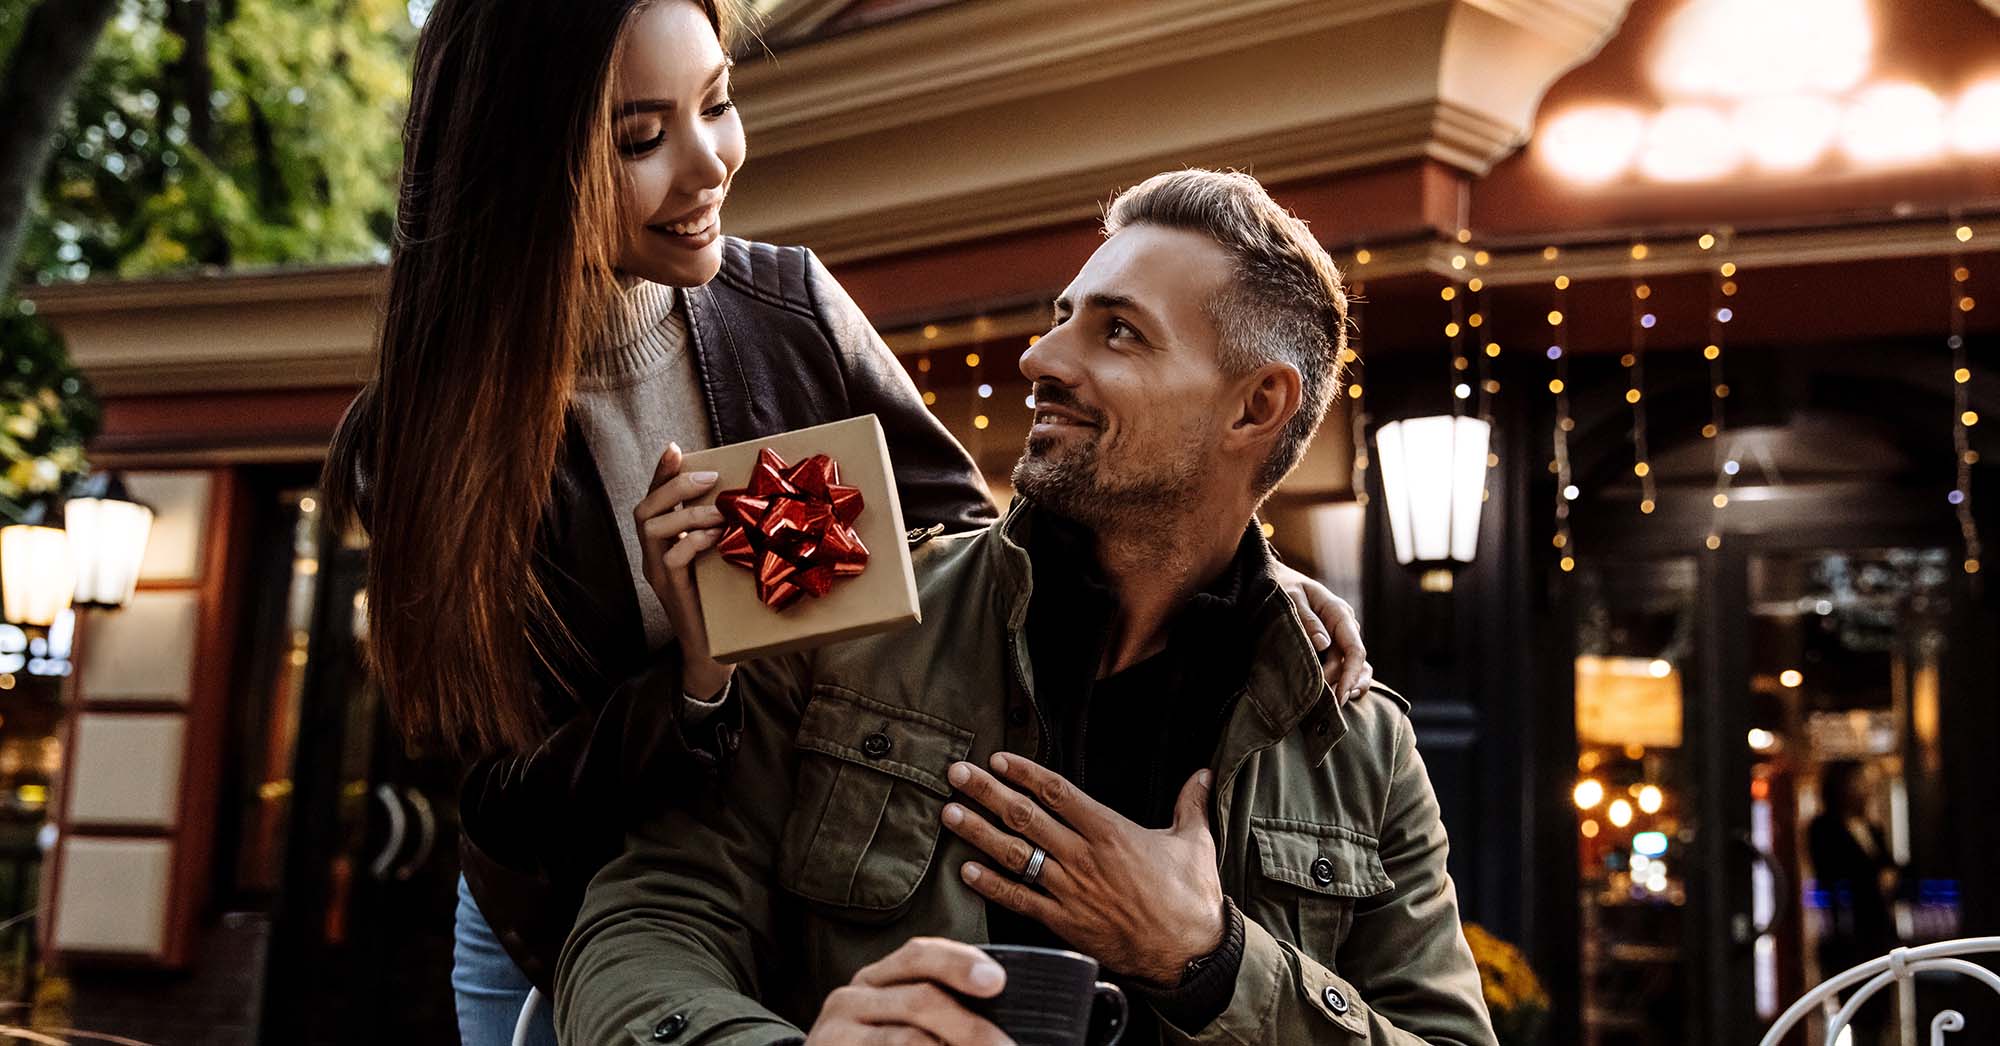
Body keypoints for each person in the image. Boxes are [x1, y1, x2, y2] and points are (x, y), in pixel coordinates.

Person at [322, 4, 1376, 1042]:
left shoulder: (789, 307)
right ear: (518, 160)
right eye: (640, 137)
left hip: (795, 880)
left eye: (717, 104)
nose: (709, 165)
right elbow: (507, 798)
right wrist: (699, 677)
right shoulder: (418, 438)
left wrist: (1233, 579)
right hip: (559, 919)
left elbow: (972, 553)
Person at [558, 169, 1494, 1045]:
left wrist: (1211, 962)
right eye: (1061, 317)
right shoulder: (847, 616)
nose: (1041, 356)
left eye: (1117, 330)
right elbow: (644, 928)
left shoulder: (1363, 746)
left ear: (1255, 409)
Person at [1807, 760, 1901, 1042]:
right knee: (1858, 1004)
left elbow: (1889, 868)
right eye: (1859, 780)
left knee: (1881, 1007)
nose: (1865, 787)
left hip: (1876, 929)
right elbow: (1831, 871)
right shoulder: (1822, 827)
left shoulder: (1870, 827)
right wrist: (1874, 877)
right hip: (1846, 931)